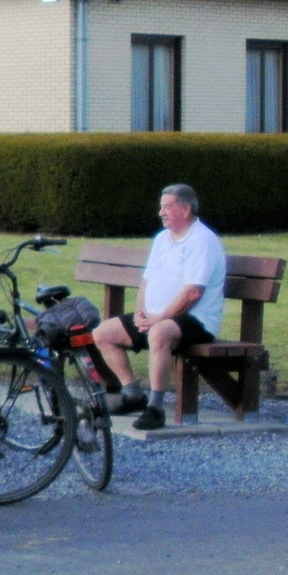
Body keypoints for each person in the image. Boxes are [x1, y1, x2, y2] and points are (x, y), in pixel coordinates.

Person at [92, 183, 227, 431]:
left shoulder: (202, 240)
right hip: (157, 317)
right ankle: (132, 394)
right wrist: (140, 312)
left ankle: (155, 408)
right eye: (161, 207)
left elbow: (193, 293)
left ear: (185, 209)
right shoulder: (162, 239)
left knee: (159, 333)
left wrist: (158, 319)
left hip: (196, 319)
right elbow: (147, 280)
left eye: (167, 207)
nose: (161, 213)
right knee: (102, 333)